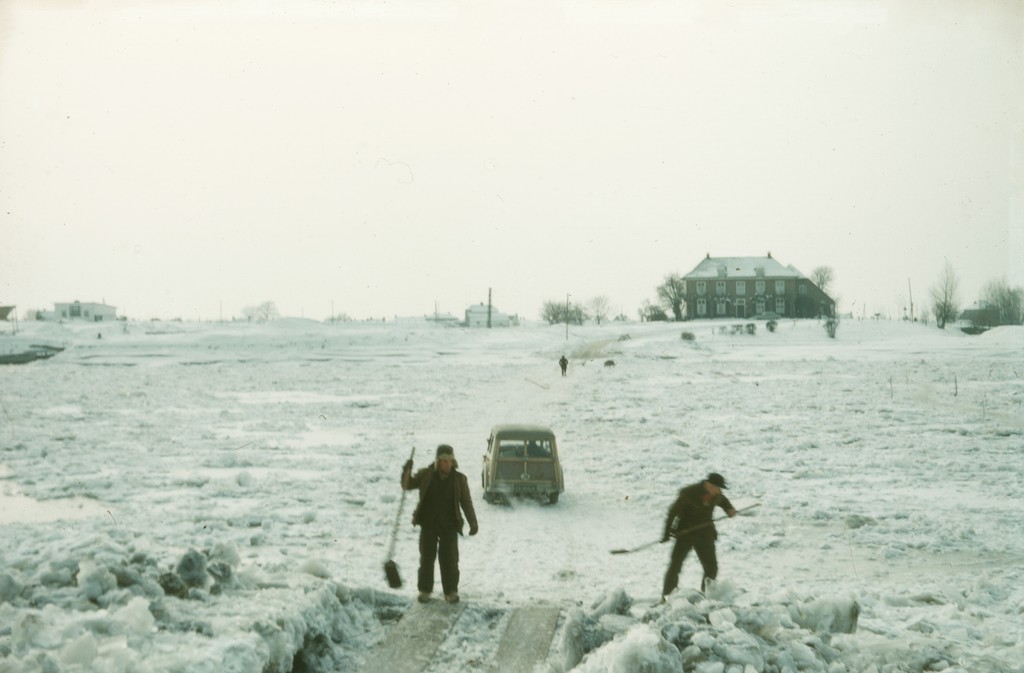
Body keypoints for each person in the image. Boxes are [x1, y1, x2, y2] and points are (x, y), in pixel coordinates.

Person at [402, 444, 479, 604]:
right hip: (428, 523)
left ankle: (451, 591)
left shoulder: (459, 479)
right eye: (444, 461)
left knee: (450, 559)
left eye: (450, 460)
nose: (448, 464)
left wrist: (473, 522)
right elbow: (407, 485)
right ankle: (425, 590)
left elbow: (466, 502)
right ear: (438, 461)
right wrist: (407, 470)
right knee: (426, 558)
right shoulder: (426, 475)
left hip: (449, 525)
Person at [661, 472, 736, 599]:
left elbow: (723, 500)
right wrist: (667, 532)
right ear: (709, 485)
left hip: (705, 534)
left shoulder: (716, 494)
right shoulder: (689, 493)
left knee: (711, 568)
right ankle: (667, 597)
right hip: (685, 534)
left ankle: (706, 596)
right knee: (675, 566)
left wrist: (729, 509)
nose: (719, 491)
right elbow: (672, 512)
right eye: (718, 488)